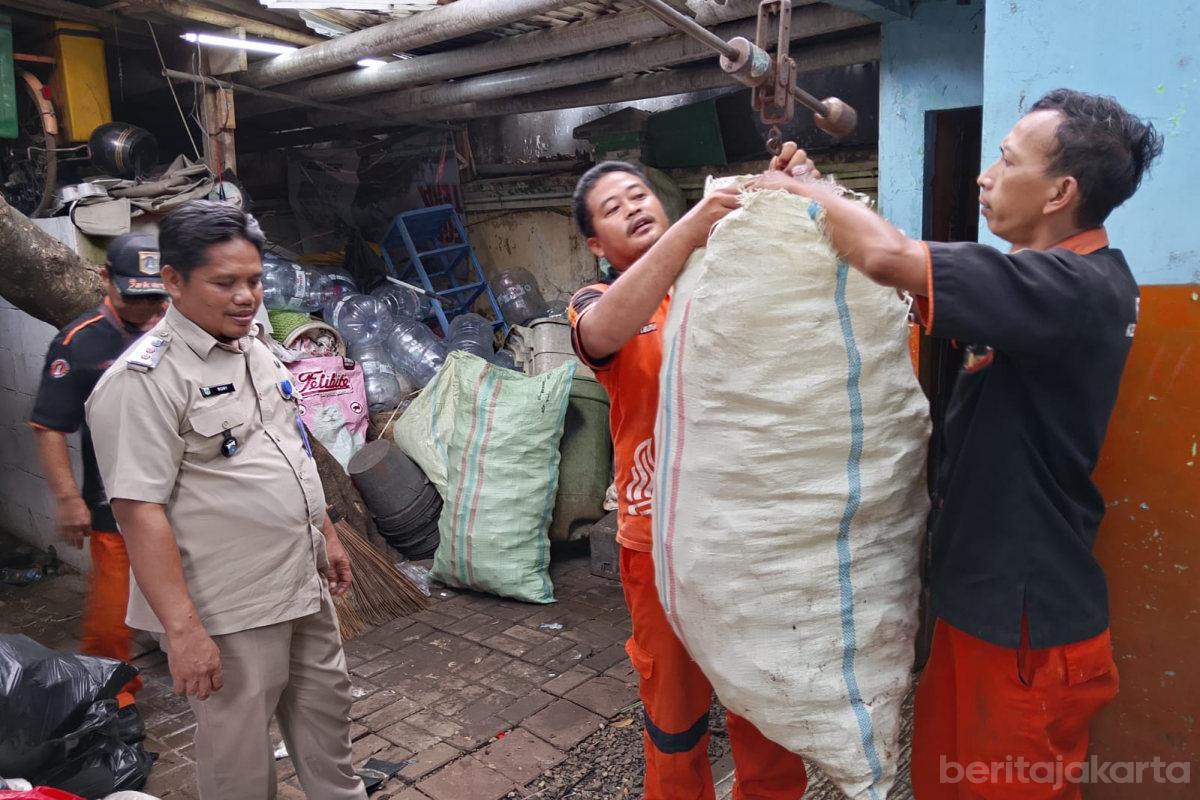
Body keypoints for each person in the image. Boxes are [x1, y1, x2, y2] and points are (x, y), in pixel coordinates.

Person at [748, 89, 1163, 798]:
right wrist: (819, 191)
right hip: (980, 612)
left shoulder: (1072, 287)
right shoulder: (1041, 287)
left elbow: (887, 258)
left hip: (1023, 633)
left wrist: (799, 193)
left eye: (1006, 160)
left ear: (1060, 191)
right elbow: (906, 270)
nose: (985, 175)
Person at [86, 201, 366, 800]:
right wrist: (183, 633)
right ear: (173, 281)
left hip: (298, 579)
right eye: (226, 283)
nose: (247, 296)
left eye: (255, 280)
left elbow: (289, 450)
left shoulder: (255, 348)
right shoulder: (144, 383)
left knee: (329, 724)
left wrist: (329, 537)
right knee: (239, 759)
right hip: (229, 609)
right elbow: (139, 513)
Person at [568, 146, 818, 800]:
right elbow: (601, 331)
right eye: (613, 210)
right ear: (598, 243)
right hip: (659, 548)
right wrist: (694, 225)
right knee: (674, 722)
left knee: (763, 705)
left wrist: (791, 194)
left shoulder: (718, 279)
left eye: (639, 196)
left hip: (744, 534)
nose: (632, 209)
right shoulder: (598, 303)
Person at [30, 233, 168, 713]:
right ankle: (111, 697)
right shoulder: (79, 343)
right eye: (135, 296)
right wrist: (69, 499)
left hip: (181, 494)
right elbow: (49, 426)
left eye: (156, 295)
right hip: (114, 504)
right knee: (113, 614)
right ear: (104, 279)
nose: (146, 307)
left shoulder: (179, 331)